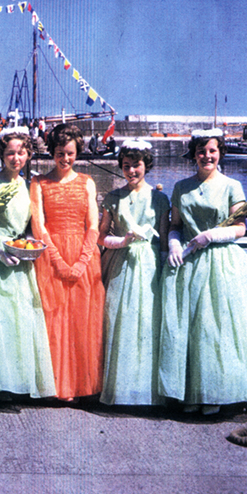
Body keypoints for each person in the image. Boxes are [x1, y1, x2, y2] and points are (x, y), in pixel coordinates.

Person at [160, 128, 247, 415]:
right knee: (189, 327)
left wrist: (212, 236)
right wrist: (175, 244)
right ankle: (192, 391)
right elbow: (176, 224)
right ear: (193, 154)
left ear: (220, 153)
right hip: (189, 262)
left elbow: (239, 228)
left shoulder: (232, 186)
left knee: (216, 327)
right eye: (201, 151)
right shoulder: (181, 187)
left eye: (212, 151)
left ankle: (215, 392)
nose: (207, 156)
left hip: (221, 262)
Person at [30, 123, 105, 401]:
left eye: (70, 153)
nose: (65, 158)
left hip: (84, 258)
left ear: (78, 153)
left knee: (81, 322)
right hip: (51, 257)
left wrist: (83, 260)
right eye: (60, 153)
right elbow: (39, 226)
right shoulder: (38, 183)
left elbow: (93, 225)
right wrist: (59, 262)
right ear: (52, 152)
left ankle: (79, 386)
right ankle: (57, 387)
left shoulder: (87, 182)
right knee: (55, 321)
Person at [0, 127, 56, 400]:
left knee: (18, 320)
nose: (15, 158)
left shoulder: (30, 185)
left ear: (28, 154)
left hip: (21, 256)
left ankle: (13, 380)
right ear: (1, 155)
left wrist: (30, 242)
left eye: (21, 153)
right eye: (10, 153)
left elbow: (30, 225)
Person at [97, 140, 170, 406]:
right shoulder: (113, 198)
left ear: (146, 166)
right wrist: (122, 242)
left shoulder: (159, 198)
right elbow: (101, 236)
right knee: (118, 319)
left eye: (136, 165)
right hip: (120, 262)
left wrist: (164, 268)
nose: (131, 171)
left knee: (147, 322)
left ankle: (146, 390)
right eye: (126, 166)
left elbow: (162, 240)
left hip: (148, 264)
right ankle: (119, 387)